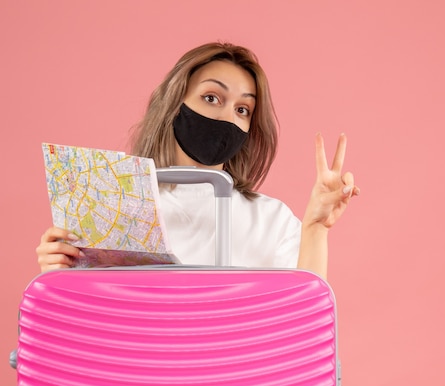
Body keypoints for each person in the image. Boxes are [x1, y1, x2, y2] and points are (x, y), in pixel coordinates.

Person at [35, 42, 359, 280]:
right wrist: (60, 270)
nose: (226, 116)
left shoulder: (269, 219)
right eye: (211, 98)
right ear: (175, 104)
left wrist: (315, 229)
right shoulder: (113, 209)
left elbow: (304, 322)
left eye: (242, 109)